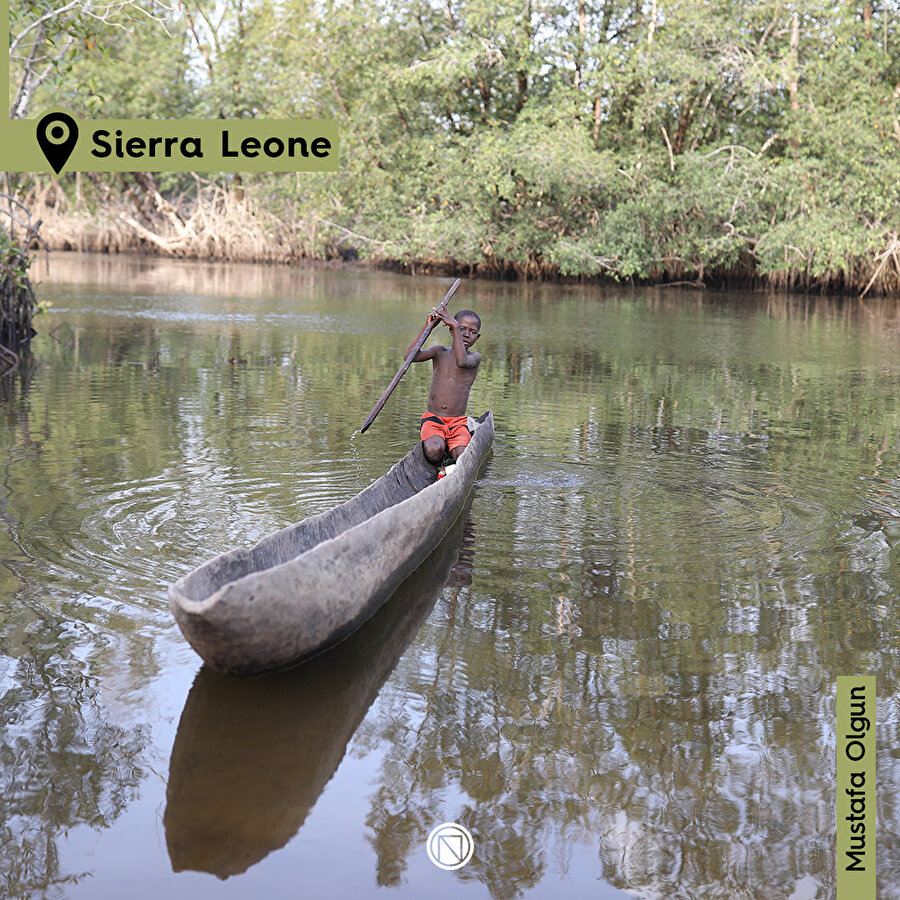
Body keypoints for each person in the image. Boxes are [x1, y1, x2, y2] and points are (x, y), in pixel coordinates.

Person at [404, 308, 482, 466]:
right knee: (434, 451)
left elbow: (461, 361)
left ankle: (450, 450)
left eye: (472, 332)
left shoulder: (474, 357)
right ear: (451, 331)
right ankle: (442, 448)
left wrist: (455, 326)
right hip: (434, 420)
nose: (466, 334)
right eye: (461, 329)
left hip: (457, 423)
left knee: (462, 457)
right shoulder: (439, 351)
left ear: (477, 337)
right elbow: (409, 357)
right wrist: (427, 327)